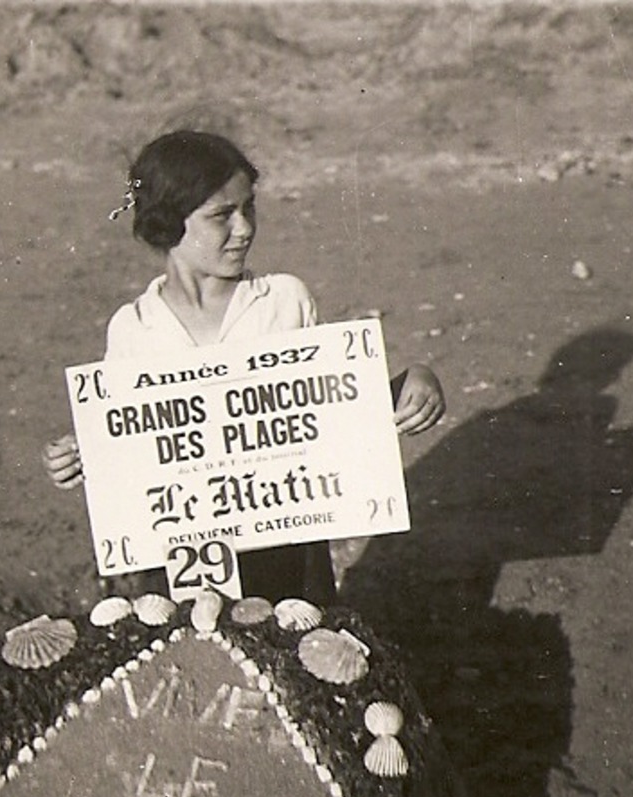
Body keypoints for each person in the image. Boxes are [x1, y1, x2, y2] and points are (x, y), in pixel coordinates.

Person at [42, 129, 446, 603]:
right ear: (169, 224)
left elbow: (330, 413)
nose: (245, 228)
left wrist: (411, 383)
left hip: (289, 559)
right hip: (181, 573)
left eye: (248, 208)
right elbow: (129, 450)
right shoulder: (134, 330)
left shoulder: (283, 300)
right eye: (221, 216)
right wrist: (78, 456)